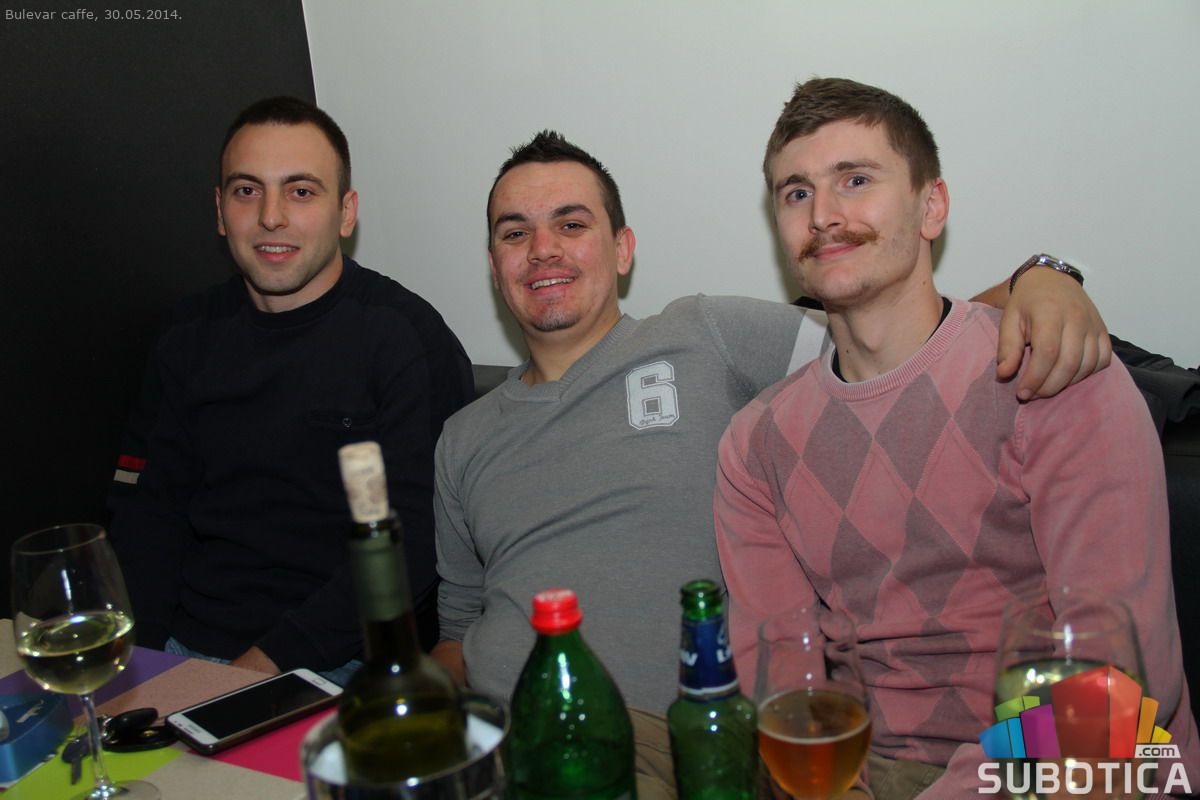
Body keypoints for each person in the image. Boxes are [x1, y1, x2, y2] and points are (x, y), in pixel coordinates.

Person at [432, 130, 1109, 717]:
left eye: (572, 225)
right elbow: (459, 632)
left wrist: (1039, 280)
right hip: (497, 743)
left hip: (669, 740)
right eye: (515, 233)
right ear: (495, 266)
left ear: (622, 249)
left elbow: (903, 337)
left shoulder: (703, 335)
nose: (542, 249)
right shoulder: (462, 438)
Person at [714, 77, 1197, 797]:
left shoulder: (1054, 377)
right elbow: (780, 680)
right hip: (863, 771)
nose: (824, 215)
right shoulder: (756, 446)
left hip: (1082, 768)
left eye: (855, 180)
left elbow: (1119, 687)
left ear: (931, 205)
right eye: (797, 192)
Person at [110, 96, 472, 684]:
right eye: (246, 191)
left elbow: (410, 543)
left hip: (337, 661)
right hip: (181, 645)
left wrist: (258, 672)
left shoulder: (403, 339)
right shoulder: (186, 336)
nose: (271, 217)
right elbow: (148, 517)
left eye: (301, 191)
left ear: (346, 212)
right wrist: (137, 668)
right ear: (220, 211)